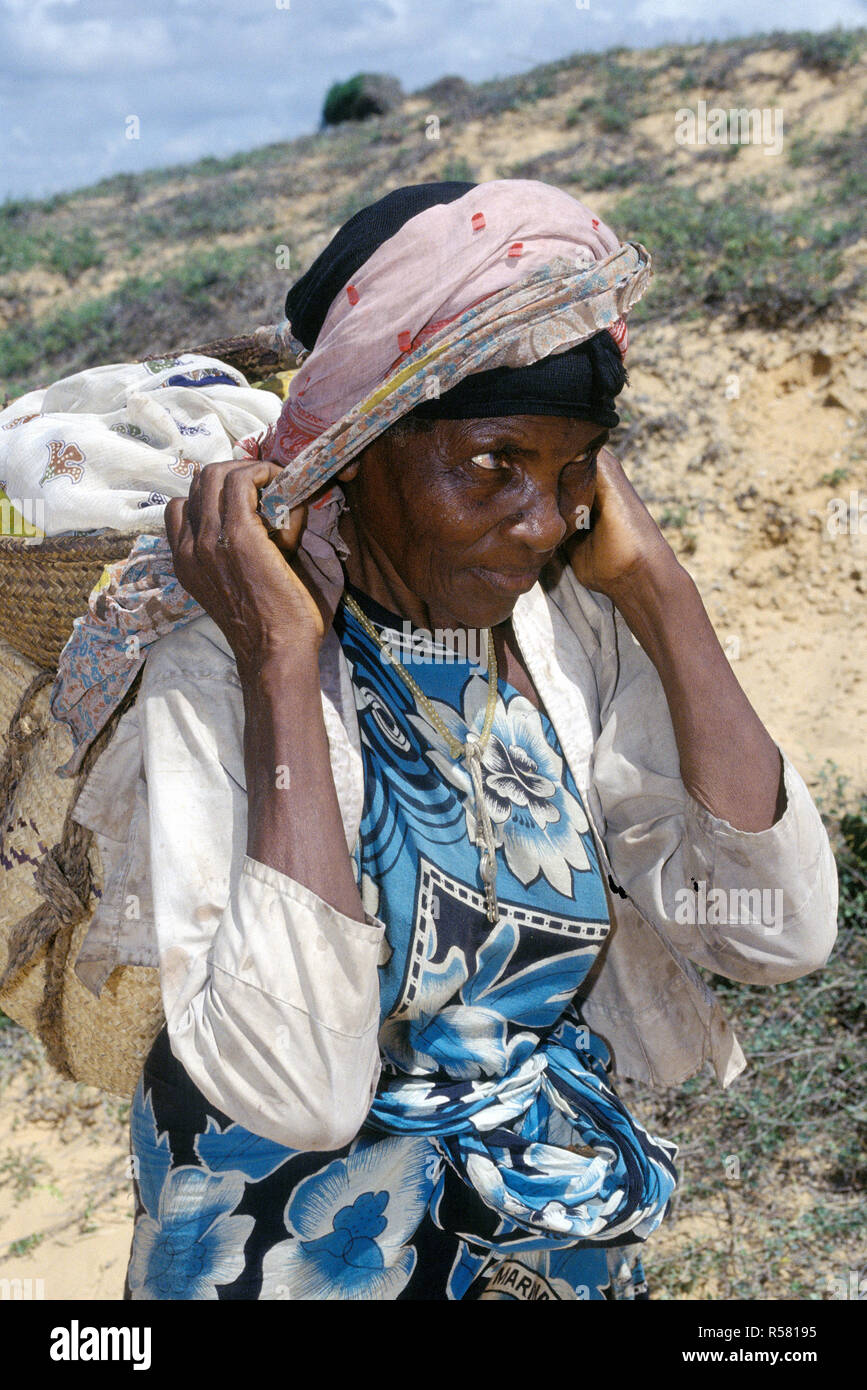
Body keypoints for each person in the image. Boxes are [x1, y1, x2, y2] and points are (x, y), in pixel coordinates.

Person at [64, 180, 837, 1300]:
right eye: (491, 461)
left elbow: (779, 931)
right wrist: (283, 663)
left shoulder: (560, 631)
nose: (538, 521)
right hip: (279, 1260)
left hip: (531, 1253)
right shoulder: (222, 660)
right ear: (363, 447)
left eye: (573, 471)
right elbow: (299, 1088)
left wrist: (663, 595)